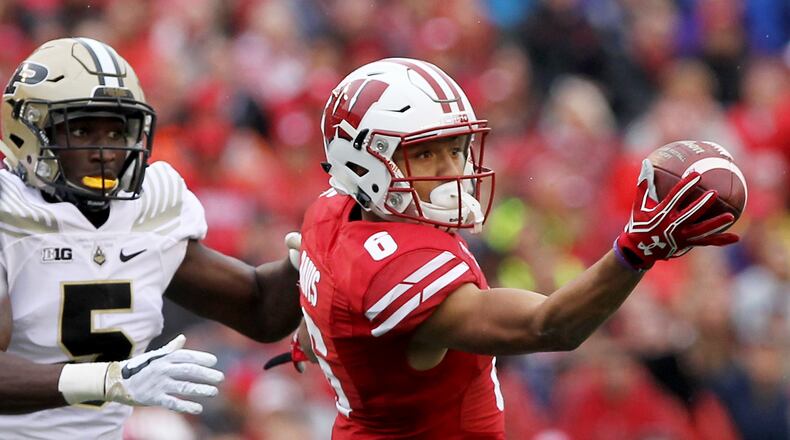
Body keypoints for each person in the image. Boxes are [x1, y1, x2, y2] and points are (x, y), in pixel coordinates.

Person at [293, 58, 740, 438]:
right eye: (426, 153)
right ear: (362, 160)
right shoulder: (396, 270)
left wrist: (315, 335)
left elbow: (329, 311)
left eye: (456, 147)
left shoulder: (332, 212)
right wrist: (637, 249)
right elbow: (548, 327)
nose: (452, 170)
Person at [0, 37, 302, 438]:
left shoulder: (147, 212)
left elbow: (261, 312)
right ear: (27, 132)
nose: (105, 150)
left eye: (116, 130)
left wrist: (304, 267)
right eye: (83, 129)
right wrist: (110, 380)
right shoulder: (11, 214)